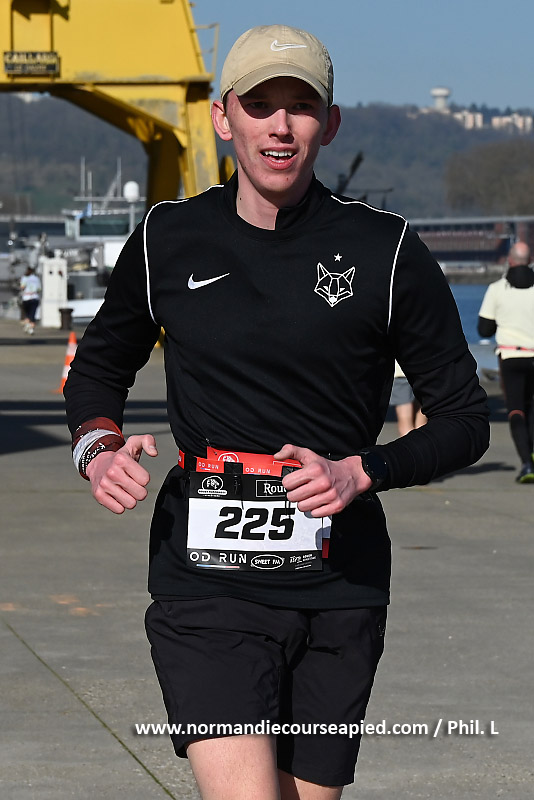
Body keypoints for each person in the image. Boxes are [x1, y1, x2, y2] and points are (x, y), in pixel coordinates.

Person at [64, 24, 489, 800]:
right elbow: (97, 370)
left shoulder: (387, 250)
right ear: (223, 117)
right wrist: (98, 446)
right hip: (205, 582)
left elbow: (465, 418)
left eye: (301, 106)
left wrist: (364, 470)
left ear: (330, 123)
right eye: (259, 105)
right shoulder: (167, 238)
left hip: (341, 583)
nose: (280, 126)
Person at [478, 241, 534, 483]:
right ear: (530, 260)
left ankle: (526, 463)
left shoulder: (497, 289)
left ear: (510, 260)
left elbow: (484, 329)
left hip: (511, 356)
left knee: (516, 409)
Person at [389, 361, 427, 436]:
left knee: (406, 424)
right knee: (422, 424)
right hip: (423, 369)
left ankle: (413, 443)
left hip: (401, 372)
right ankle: (423, 442)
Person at [19, 265, 41, 335]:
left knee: (27, 314)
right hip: (35, 297)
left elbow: (22, 287)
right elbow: (39, 289)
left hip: (26, 298)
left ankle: (27, 325)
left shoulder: (25, 277)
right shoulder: (36, 278)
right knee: (33, 314)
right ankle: (31, 329)